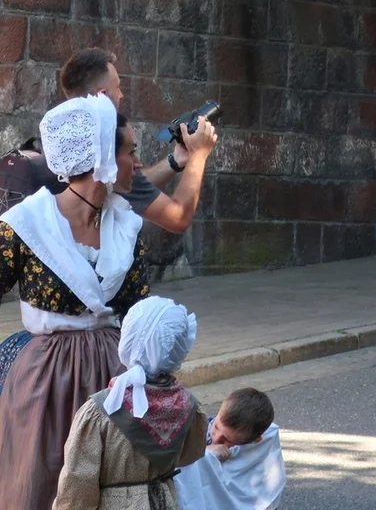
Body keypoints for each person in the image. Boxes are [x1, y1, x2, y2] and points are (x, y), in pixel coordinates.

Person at [0, 95, 150, 510]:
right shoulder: (27, 226)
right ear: (103, 156)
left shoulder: (127, 228)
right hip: (47, 380)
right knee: (46, 478)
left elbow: (139, 310)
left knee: (112, 488)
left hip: (114, 378)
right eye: (131, 152)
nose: (137, 164)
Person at [28, 48, 218, 234]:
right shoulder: (108, 151)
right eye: (117, 87)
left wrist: (175, 161)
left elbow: (125, 185)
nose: (121, 95)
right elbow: (179, 218)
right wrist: (198, 155)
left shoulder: (61, 141)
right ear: (102, 95)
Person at [53, 296, 207, 509]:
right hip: (164, 501)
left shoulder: (101, 411)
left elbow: (78, 484)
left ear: (128, 340)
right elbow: (191, 454)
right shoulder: (188, 405)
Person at [173, 388, 286, 510]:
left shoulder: (264, 447)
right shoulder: (198, 431)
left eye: (227, 440)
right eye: (216, 427)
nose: (216, 438)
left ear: (255, 440)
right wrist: (206, 453)